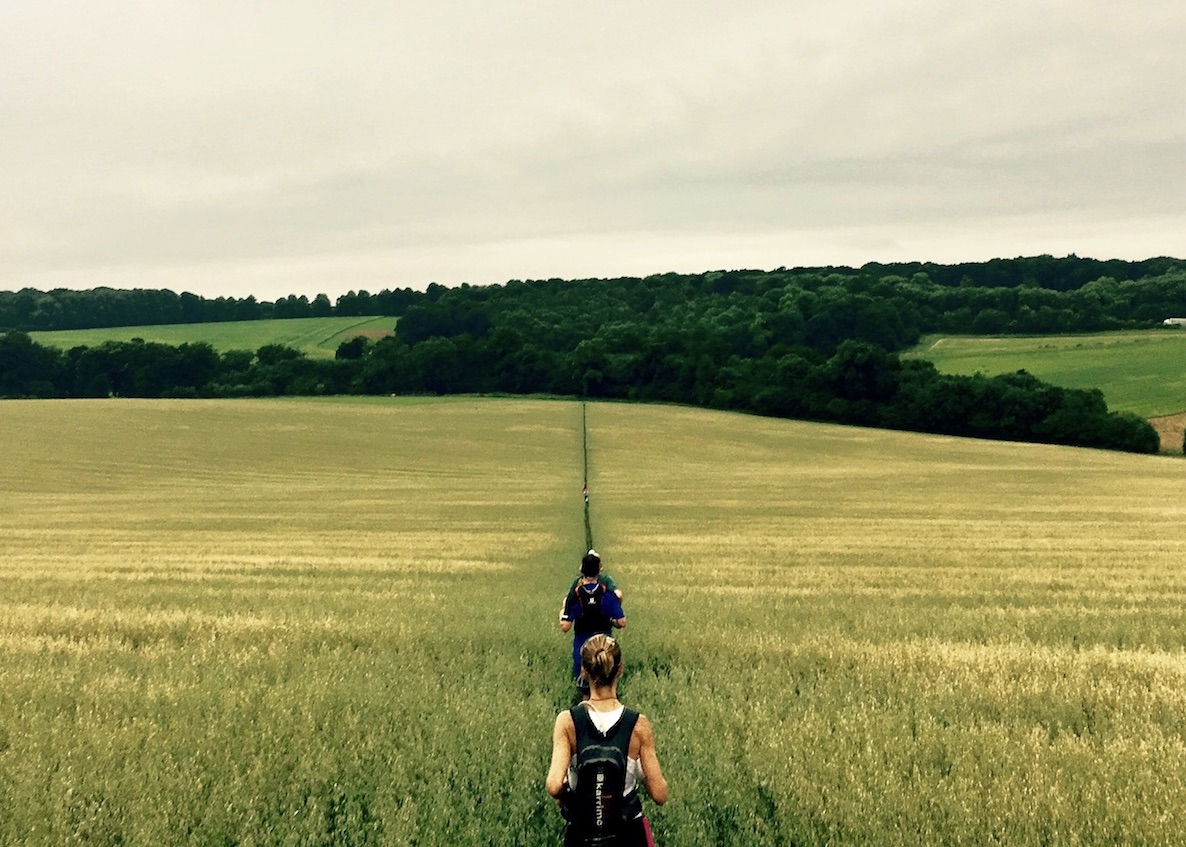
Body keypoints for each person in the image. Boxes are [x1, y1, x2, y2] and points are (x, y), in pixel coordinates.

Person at [546, 635, 668, 846]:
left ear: (584, 671)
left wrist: (565, 794)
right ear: (620, 669)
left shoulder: (567, 721)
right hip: (628, 834)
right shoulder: (638, 724)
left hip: (583, 833)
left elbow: (554, 784)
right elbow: (659, 794)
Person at [560, 553, 626, 693]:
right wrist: (611, 620)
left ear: (581, 570)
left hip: (583, 651)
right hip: (605, 649)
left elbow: (565, 627)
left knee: (586, 694)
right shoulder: (607, 594)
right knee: (606, 689)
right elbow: (621, 622)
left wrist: (562, 611)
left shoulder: (575, 596)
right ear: (599, 570)